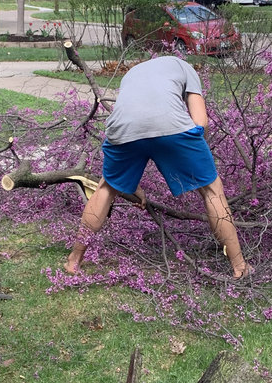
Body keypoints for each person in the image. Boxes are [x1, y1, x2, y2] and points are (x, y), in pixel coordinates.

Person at [64, 55, 249, 278]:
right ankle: (240, 267)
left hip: (121, 130)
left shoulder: (131, 74)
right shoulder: (185, 67)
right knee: (212, 189)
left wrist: (130, 184)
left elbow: (139, 129)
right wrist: (199, 160)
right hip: (171, 127)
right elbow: (201, 122)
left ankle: (74, 260)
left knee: (106, 188)